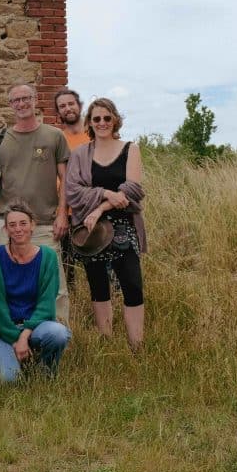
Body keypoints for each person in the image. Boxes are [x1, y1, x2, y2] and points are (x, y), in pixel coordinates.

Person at [65, 98, 147, 350]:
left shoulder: (130, 149)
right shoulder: (81, 154)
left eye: (107, 118)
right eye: (96, 118)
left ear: (115, 120)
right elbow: (73, 190)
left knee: (131, 283)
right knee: (98, 285)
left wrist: (102, 204)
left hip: (123, 226)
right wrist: (107, 193)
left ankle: (137, 346)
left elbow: (132, 189)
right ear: (89, 122)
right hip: (92, 229)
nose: (102, 123)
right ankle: (106, 341)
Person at [0, 84, 71, 324]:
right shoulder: (1, 139)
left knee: (56, 285)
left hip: (45, 223)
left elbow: (66, 179)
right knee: (6, 282)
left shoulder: (54, 136)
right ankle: (10, 334)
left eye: (26, 98)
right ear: (10, 104)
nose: (21, 104)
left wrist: (62, 214)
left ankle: (59, 334)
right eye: (16, 100)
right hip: (7, 224)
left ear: (35, 100)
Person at [0, 202, 71, 382]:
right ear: (6, 230)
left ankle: (45, 371)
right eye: (12, 225)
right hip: (3, 329)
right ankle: (15, 358)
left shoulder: (47, 256)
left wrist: (24, 336)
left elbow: (47, 305)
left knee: (59, 334)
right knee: (8, 379)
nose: (18, 229)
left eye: (23, 223)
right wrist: (15, 339)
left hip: (36, 326)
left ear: (33, 225)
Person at [54, 87, 90, 285]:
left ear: (79, 106)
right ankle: (73, 310)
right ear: (58, 113)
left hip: (91, 209)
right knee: (68, 268)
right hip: (65, 211)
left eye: (70, 104)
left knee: (97, 264)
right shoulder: (57, 139)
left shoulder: (94, 134)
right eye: (62, 106)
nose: (67, 108)